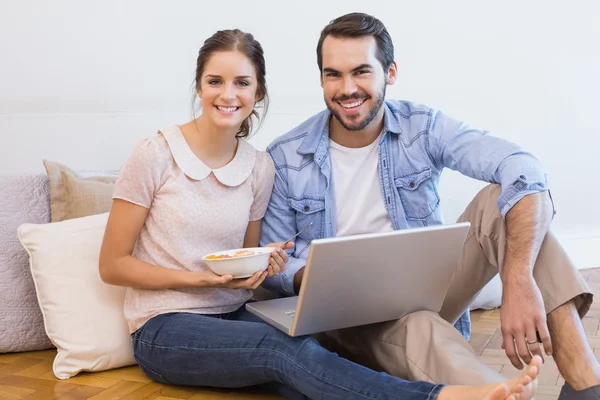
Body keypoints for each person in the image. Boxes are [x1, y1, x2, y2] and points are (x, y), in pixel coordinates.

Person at [98, 28, 542, 400]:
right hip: (166, 328)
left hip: (235, 314)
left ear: (259, 92)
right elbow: (112, 265)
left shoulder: (258, 167)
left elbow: (248, 254)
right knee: (286, 353)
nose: (228, 94)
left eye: (242, 83)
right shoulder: (154, 154)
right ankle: (438, 395)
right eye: (215, 81)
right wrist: (200, 280)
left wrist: (265, 262)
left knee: (315, 357)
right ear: (199, 86)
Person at [259, 12, 599, 400]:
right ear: (321, 78)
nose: (347, 88)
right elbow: (275, 268)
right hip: (345, 319)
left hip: (424, 292)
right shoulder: (287, 156)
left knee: (501, 200)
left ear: (390, 72)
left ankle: (586, 383)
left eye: (361, 72)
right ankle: (497, 392)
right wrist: (324, 275)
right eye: (333, 74)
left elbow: (523, 168)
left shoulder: (422, 126)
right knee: (418, 324)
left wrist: (517, 279)